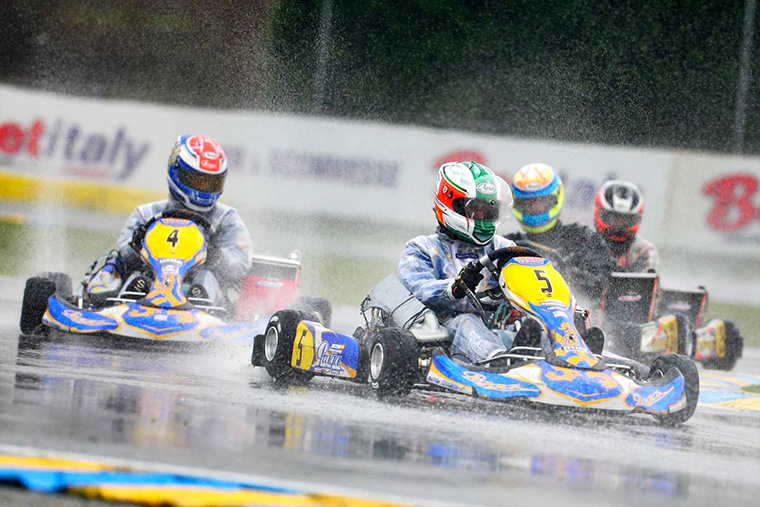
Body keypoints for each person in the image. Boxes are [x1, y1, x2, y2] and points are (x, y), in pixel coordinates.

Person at [86, 134, 252, 306]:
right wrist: (136, 246)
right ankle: (123, 303)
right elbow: (124, 253)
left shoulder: (227, 219)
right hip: (150, 282)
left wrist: (215, 255)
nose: (204, 189)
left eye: (211, 183)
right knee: (136, 276)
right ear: (176, 171)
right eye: (197, 181)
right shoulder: (147, 213)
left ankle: (200, 304)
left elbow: (240, 265)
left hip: (201, 293)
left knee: (204, 278)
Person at [397, 161, 524, 364]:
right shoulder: (422, 248)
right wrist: (454, 288)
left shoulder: (504, 247)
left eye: (487, 211)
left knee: (533, 322)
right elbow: (418, 289)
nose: (482, 216)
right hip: (445, 331)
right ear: (450, 205)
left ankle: (568, 355)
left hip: (498, 327)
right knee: (466, 321)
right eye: (475, 209)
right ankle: (496, 362)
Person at [504, 163, 614, 308]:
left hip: (570, 318)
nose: (534, 208)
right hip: (519, 320)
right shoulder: (509, 245)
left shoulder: (582, 239)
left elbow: (601, 285)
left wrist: (562, 272)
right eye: (527, 203)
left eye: (540, 202)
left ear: (555, 198)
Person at [594, 180, 659, 273]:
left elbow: (643, 286)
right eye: (613, 217)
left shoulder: (643, 251)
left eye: (624, 219)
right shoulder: (585, 244)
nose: (619, 225)